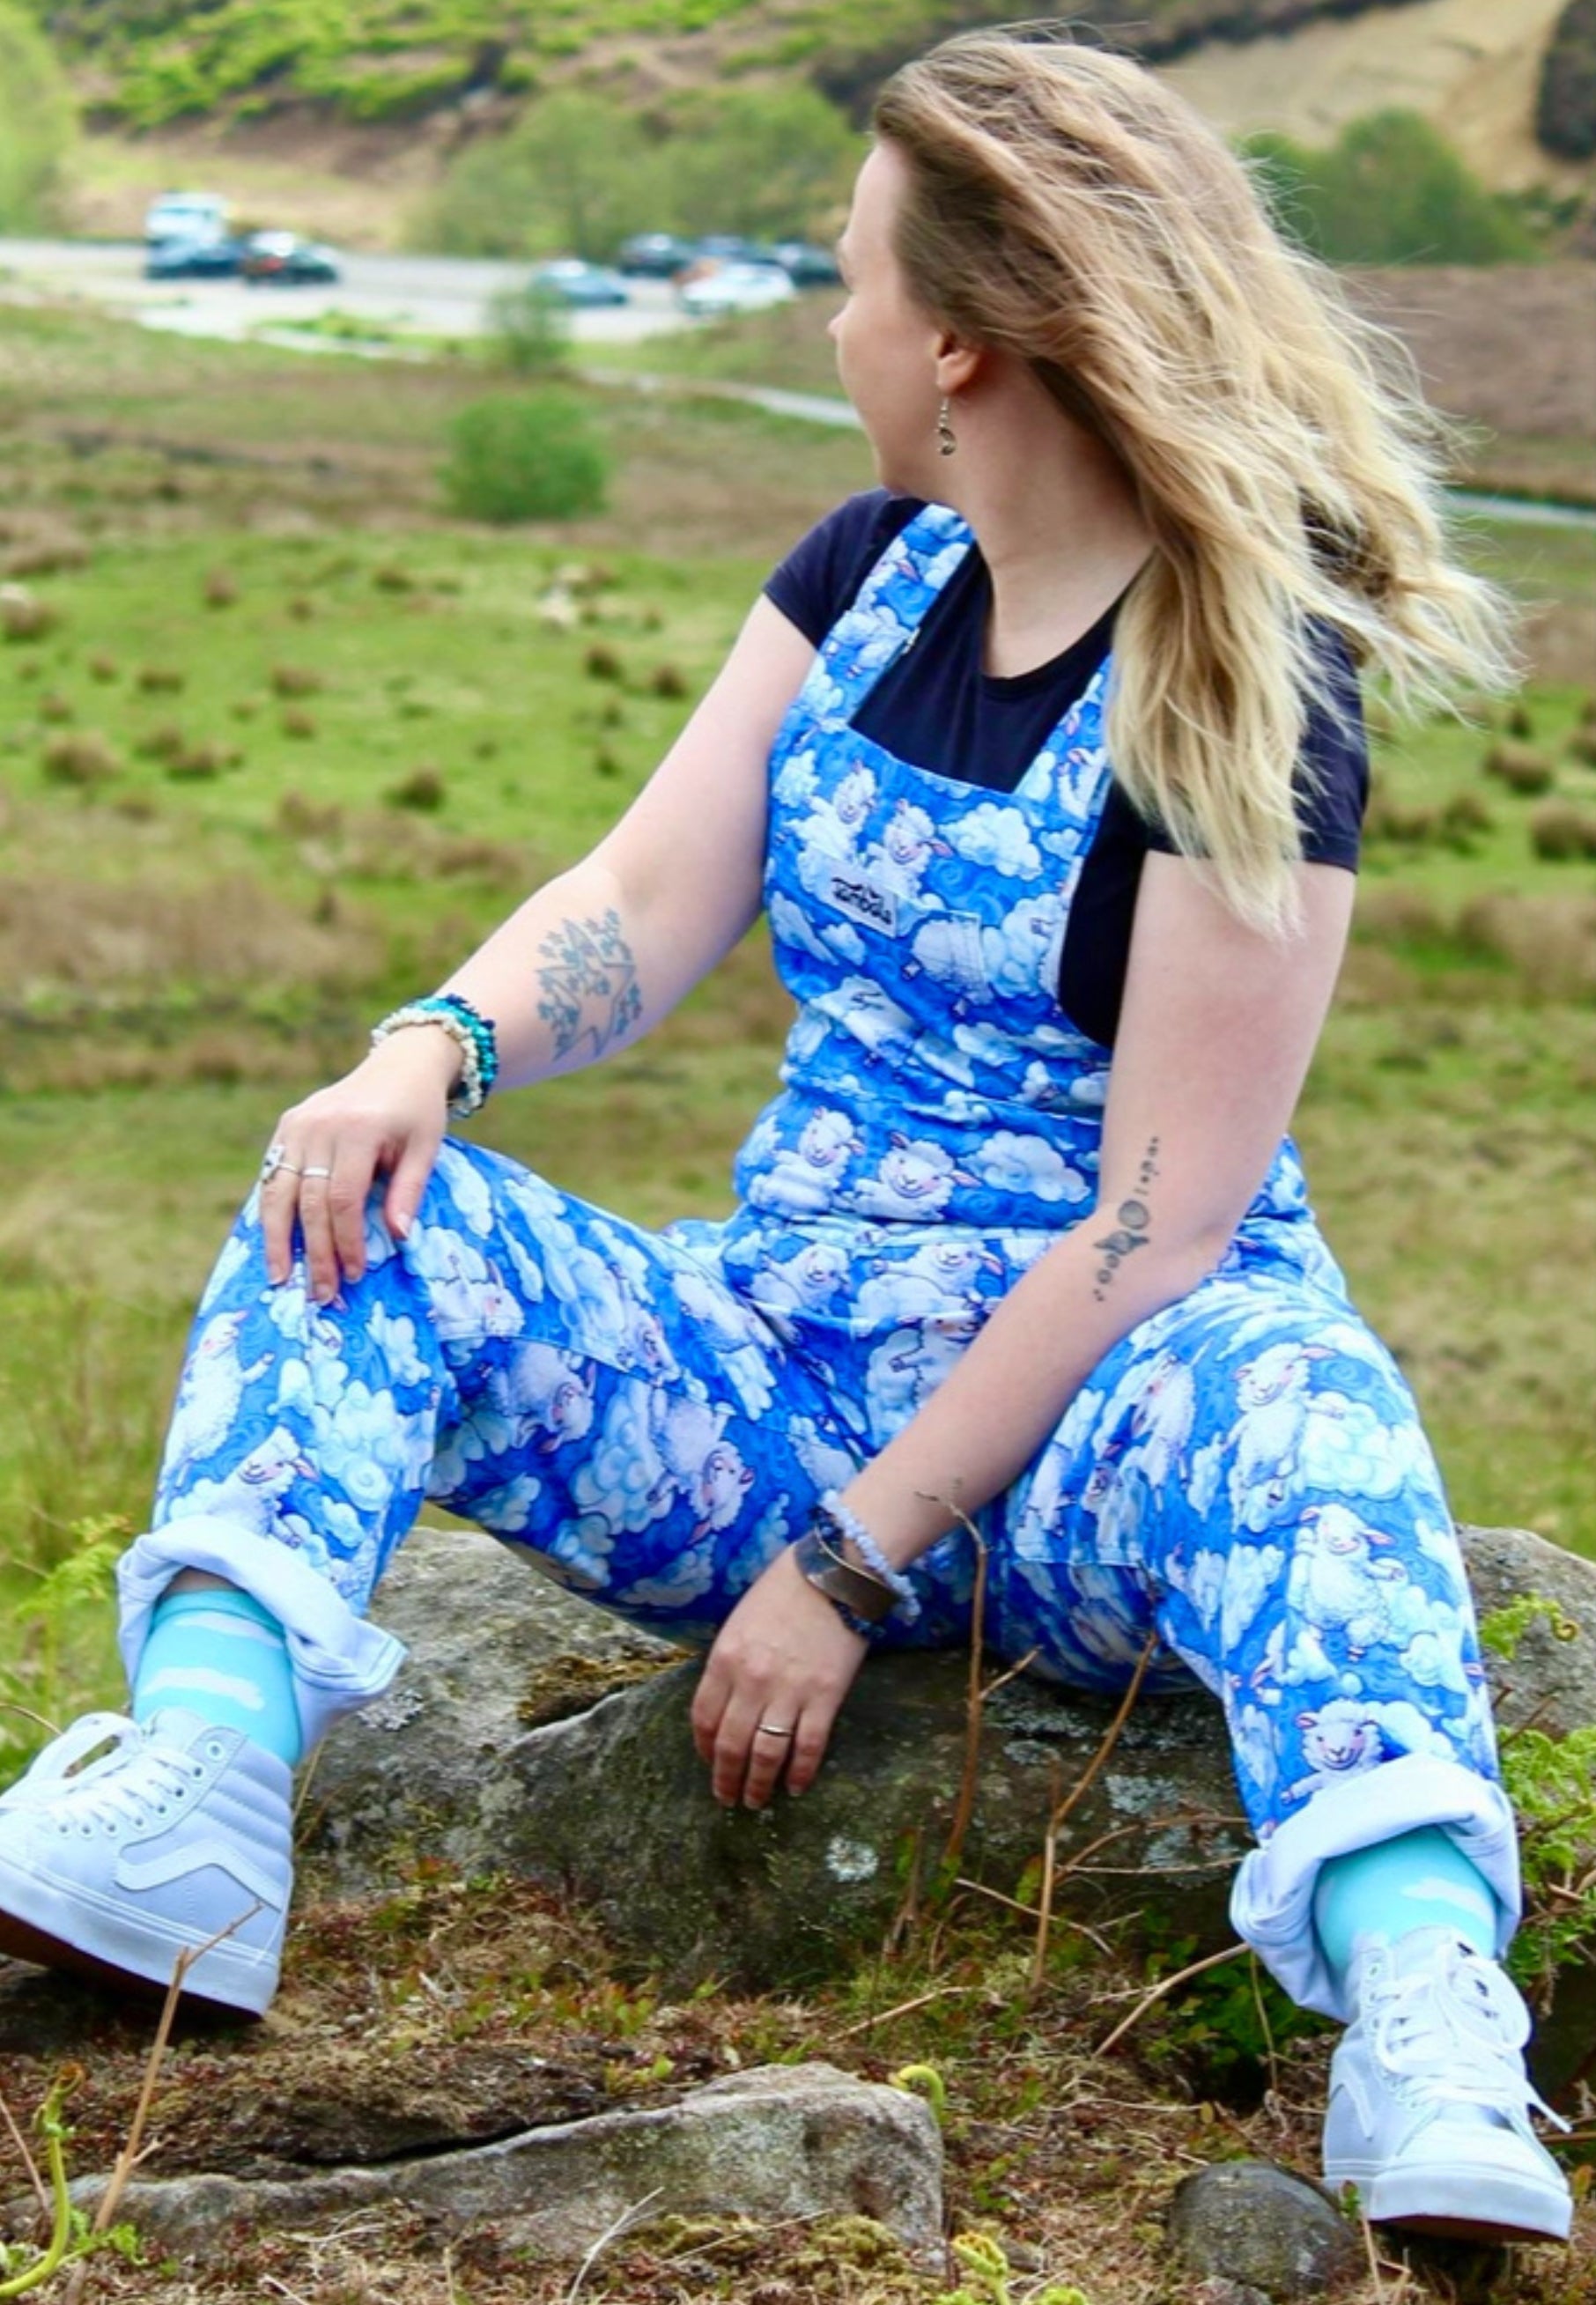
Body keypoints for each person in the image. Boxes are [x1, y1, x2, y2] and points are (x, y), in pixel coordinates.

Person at [0, 30, 1571, 2250]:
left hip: (1098, 1424)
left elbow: (1165, 1220)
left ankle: (1429, 2020)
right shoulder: (865, 574)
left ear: (953, 339)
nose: (827, 324)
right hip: (779, 1352)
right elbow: (647, 906)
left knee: (1312, 1415)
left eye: (844, 279)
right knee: (357, 1208)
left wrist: (845, 1566)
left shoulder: (1243, 670)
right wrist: (425, 1048)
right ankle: (197, 1799)